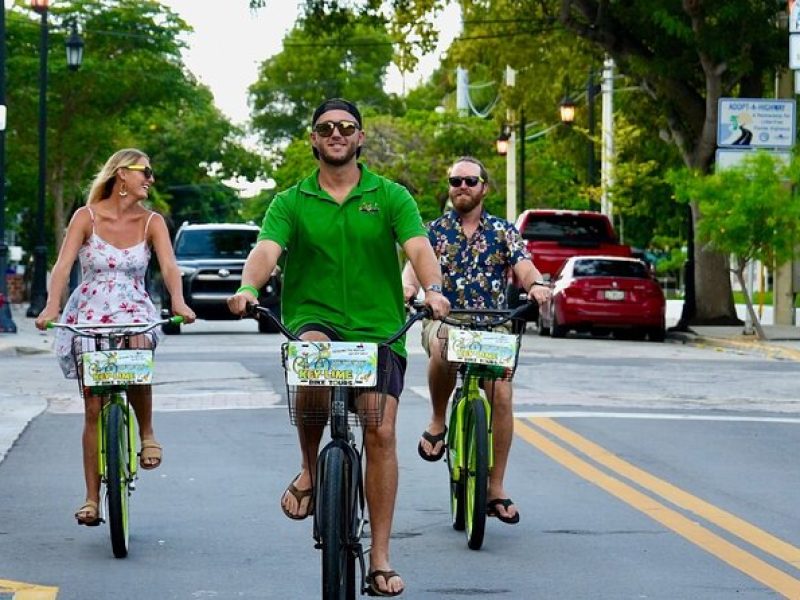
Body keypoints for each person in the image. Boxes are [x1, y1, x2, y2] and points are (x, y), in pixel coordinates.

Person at [228, 98, 449, 597]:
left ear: (360, 137)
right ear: (313, 138)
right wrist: (247, 287)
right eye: (326, 127)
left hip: (379, 327)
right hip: (316, 318)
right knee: (309, 361)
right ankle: (310, 468)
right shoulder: (291, 200)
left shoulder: (390, 195)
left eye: (346, 127)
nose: (336, 133)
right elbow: (267, 250)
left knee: (381, 431)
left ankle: (382, 556)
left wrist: (433, 288)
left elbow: (418, 247)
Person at [35, 148, 195, 526]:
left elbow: (170, 268)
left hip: (135, 310)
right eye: (145, 172)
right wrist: (50, 307)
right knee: (93, 408)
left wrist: (179, 302)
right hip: (89, 311)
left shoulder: (152, 221)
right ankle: (91, 498)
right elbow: (62, 266)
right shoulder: (85, 217)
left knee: (138, 354)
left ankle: (148, 433)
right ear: (122, 174)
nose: (150, 179)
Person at [401, 156, 550, 525]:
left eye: (470, 181)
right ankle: (438, 421)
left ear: (484, 187)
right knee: (442, 345)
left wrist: (536, 285)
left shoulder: (504, 231)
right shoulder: (433, 231)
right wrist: (407, 290)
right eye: (455, 181)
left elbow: (524, 264)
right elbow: (413, 269)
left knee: (501, 392)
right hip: (446, 319)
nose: (462, 188)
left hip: (494, 326)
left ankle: (495, 486)